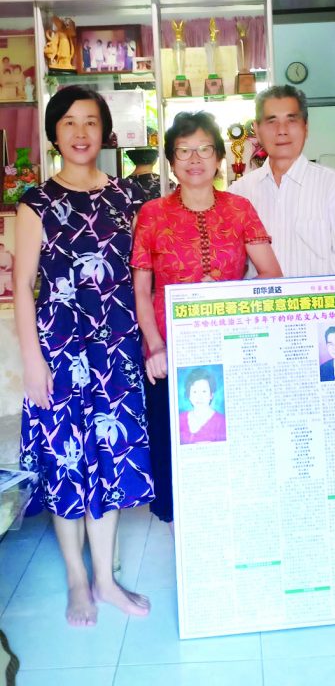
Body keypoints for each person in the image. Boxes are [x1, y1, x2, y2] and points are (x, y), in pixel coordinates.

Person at [14, 85, 153, 627]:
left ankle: (104, 579)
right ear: (54, 132)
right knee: (67, 462)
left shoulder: (128, 199)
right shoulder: (36, 203)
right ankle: (77, 579)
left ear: (105, 132)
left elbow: (141, 277)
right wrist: (33, 361)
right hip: (59, 352)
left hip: (115, 351)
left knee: (111, 460)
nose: (80, 132)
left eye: (91, 121)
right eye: (69, 122)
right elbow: (23, 288)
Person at [132, 110, 282, 521]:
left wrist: (229, 294)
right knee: (174, 446)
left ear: (218, 157)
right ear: (170, 160)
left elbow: (271, 275)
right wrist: (155, 347)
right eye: (184, 151)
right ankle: (183, 529)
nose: (194, 159)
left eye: (204, 149)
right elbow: (142, 290)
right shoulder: (152, 214)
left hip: (232, 348)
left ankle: (232, 523)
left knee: (234, 443)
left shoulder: (240, 209)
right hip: (170, 351)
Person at [230, 85, 335, 276]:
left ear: (306, 127)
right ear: (257, 130)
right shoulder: (239, 192)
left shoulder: (332, 185)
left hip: (319, 296)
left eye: (291, 120)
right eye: (272, 121)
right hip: (262, 297)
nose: (282, 131)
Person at [179, 367, 226, 445]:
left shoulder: (222, 422)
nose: (199, 397)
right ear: (189, 395)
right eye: (195, 392)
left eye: (204, 391)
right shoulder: (180, 419)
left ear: (211, 395)